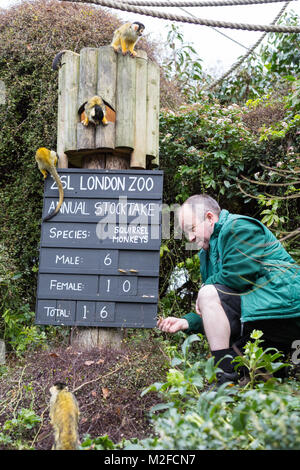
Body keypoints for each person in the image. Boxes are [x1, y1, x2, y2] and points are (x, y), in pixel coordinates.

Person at [157, 194, 300, 385]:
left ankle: (224, 381)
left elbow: (238, 277)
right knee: (257, 381)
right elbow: (221, 306)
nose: (191, 238)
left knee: (208, 296)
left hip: (286, 311)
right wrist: (186, 322)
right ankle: (233, 384)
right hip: (260, 320)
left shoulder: (239, 227)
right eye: (186, 233)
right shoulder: (206, 255)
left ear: (209, 218)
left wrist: (206, 289)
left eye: (192, 229)